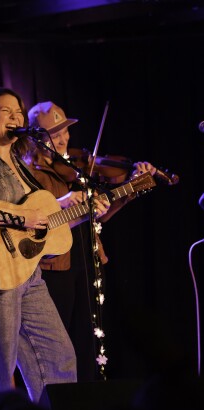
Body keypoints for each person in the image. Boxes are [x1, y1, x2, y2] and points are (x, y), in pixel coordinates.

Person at [0, 88, 109, 402]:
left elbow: (46, 226)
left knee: (59, 357)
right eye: (5, 111)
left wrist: (87, 212)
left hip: (27, 276)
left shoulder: (20, 168)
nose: (15, 117)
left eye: (19, 112)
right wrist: (21, 217)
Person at [25, 101, 156, 381]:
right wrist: (64, 204)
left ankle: (87, 403)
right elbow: (32, 217)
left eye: (66, 132)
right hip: (54, 265)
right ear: (37, 137)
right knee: (59, 344)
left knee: (89, 340)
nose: (64, 139)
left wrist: (132, 187)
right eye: (55, 134)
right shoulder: (29, 173)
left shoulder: (77, 166)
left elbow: (102, 216)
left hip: (87, 256)